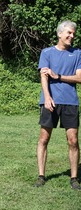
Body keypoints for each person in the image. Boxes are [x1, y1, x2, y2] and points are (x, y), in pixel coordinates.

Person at [35, 20, 81, 190]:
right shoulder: (46, 52)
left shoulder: (77, 54)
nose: (72, 36)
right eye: (69, 32)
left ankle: (74, 178)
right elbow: (44, 76)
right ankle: (41, 176)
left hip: (70, 102)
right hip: (50, 102)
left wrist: (59, 76)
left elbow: (79, 78)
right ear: (59, 34)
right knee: (44, 139)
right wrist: (47, 97)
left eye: (74, 33)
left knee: (73, 141)